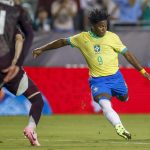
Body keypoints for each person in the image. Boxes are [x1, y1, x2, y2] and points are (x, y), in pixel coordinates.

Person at [33, 9, 150, 140]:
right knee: (105, 104)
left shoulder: (112, 37)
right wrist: (42, 49)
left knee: (124, 98)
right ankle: (119, 127)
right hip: (98, 81)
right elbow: (62, 41)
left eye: (105, 26)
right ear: (93, 26)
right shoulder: (82, 38)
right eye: (100, 26)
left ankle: (123, 93)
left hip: (116, 77)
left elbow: (127, 54)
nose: (103, 29)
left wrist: (142, 71)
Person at [0, 0, 44, 146]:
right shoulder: (14, 17)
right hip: (10, 70)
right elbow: (20, 39)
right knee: (37, 99)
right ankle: (31, 128)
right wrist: (16, 64)